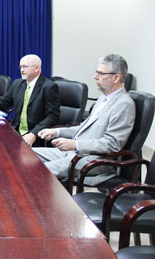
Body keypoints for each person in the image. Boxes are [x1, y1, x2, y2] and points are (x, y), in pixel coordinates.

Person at [35, 54, 135, 185]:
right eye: (96, 72)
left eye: (101, 73)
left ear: (116, 77)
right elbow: (84, 128)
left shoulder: (123, 104)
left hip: (91, 160)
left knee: (37, 171)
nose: (95, 76)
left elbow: (112, 143)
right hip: (75, 153)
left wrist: (75, 144)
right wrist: (57, 132)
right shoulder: (103, 99)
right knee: (27, 154)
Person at [0, 54, 60, 146]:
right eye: (20, 67)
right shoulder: (18, 83)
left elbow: (52, 116)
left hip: (36, 135)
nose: (21, 70)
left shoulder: (49, 87)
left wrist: (34, 134)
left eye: (25, 67)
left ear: (36, 68)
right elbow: (5, 101)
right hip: (16, 130)